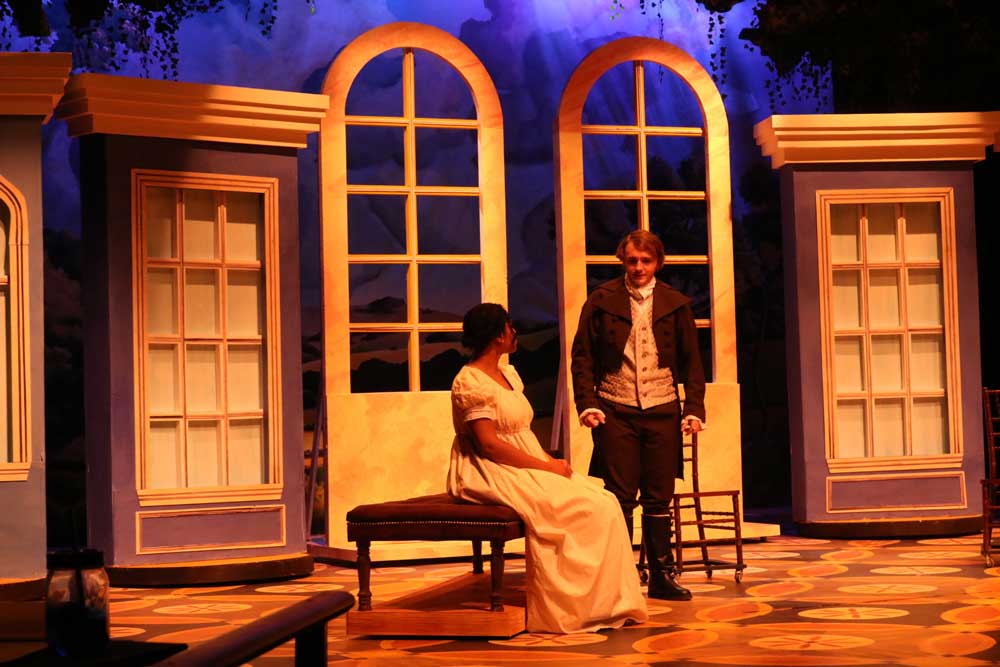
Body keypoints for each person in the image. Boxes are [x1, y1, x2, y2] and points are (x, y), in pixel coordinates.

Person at [447, 303, 648, 633]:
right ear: (498, 335)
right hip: (489, 468)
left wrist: (551, 463)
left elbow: (521, 433)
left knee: (605, 501)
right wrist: (544, 467)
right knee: (579, 507)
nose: (515, 333)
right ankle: (571, 607)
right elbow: (489, 445)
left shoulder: (507, 374)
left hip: (522, 459)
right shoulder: (470, 382)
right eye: (510, 327)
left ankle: (609, 602)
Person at [571, 229, 706, 601]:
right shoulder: (601, 301)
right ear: (623, 261)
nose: (638, 268)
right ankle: (617, 577)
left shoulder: (675, 304)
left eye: (645, 261)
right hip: (616, 409)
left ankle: (662, 576)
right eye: (632, 261)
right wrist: (588, 403)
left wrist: (693, 408)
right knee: (619, 497)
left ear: (657, 263)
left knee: (659, 498)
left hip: (662, 409)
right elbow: (582, 357)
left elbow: (693, 363)